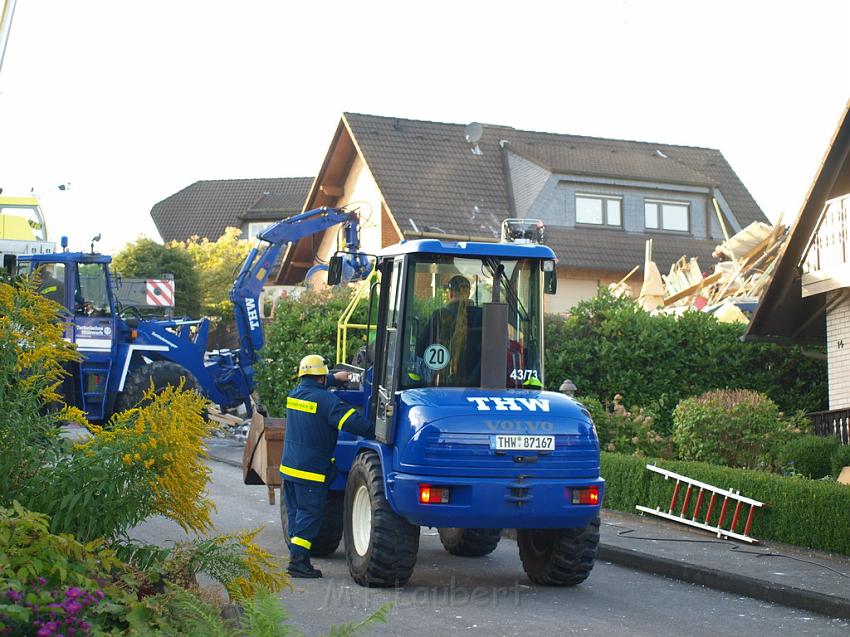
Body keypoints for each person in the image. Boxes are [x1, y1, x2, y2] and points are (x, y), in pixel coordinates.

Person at [280, 354, 374, 578]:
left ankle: (297, 555)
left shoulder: (295, 394)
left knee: (295, 514)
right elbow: (353, 423)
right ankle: (298, 563)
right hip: (310, 471)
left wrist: (333, 379)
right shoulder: (328, 402)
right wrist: (377, 430)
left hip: (289, 467)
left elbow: (314, 385)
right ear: (321, 378)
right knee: (308, 515)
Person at [415, 275, 482, 385]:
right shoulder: (481, 315)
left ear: (450, 293)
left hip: (442, 383)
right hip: (477, 383)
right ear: (468, 293)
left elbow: (420, 349)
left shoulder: (438, 316)